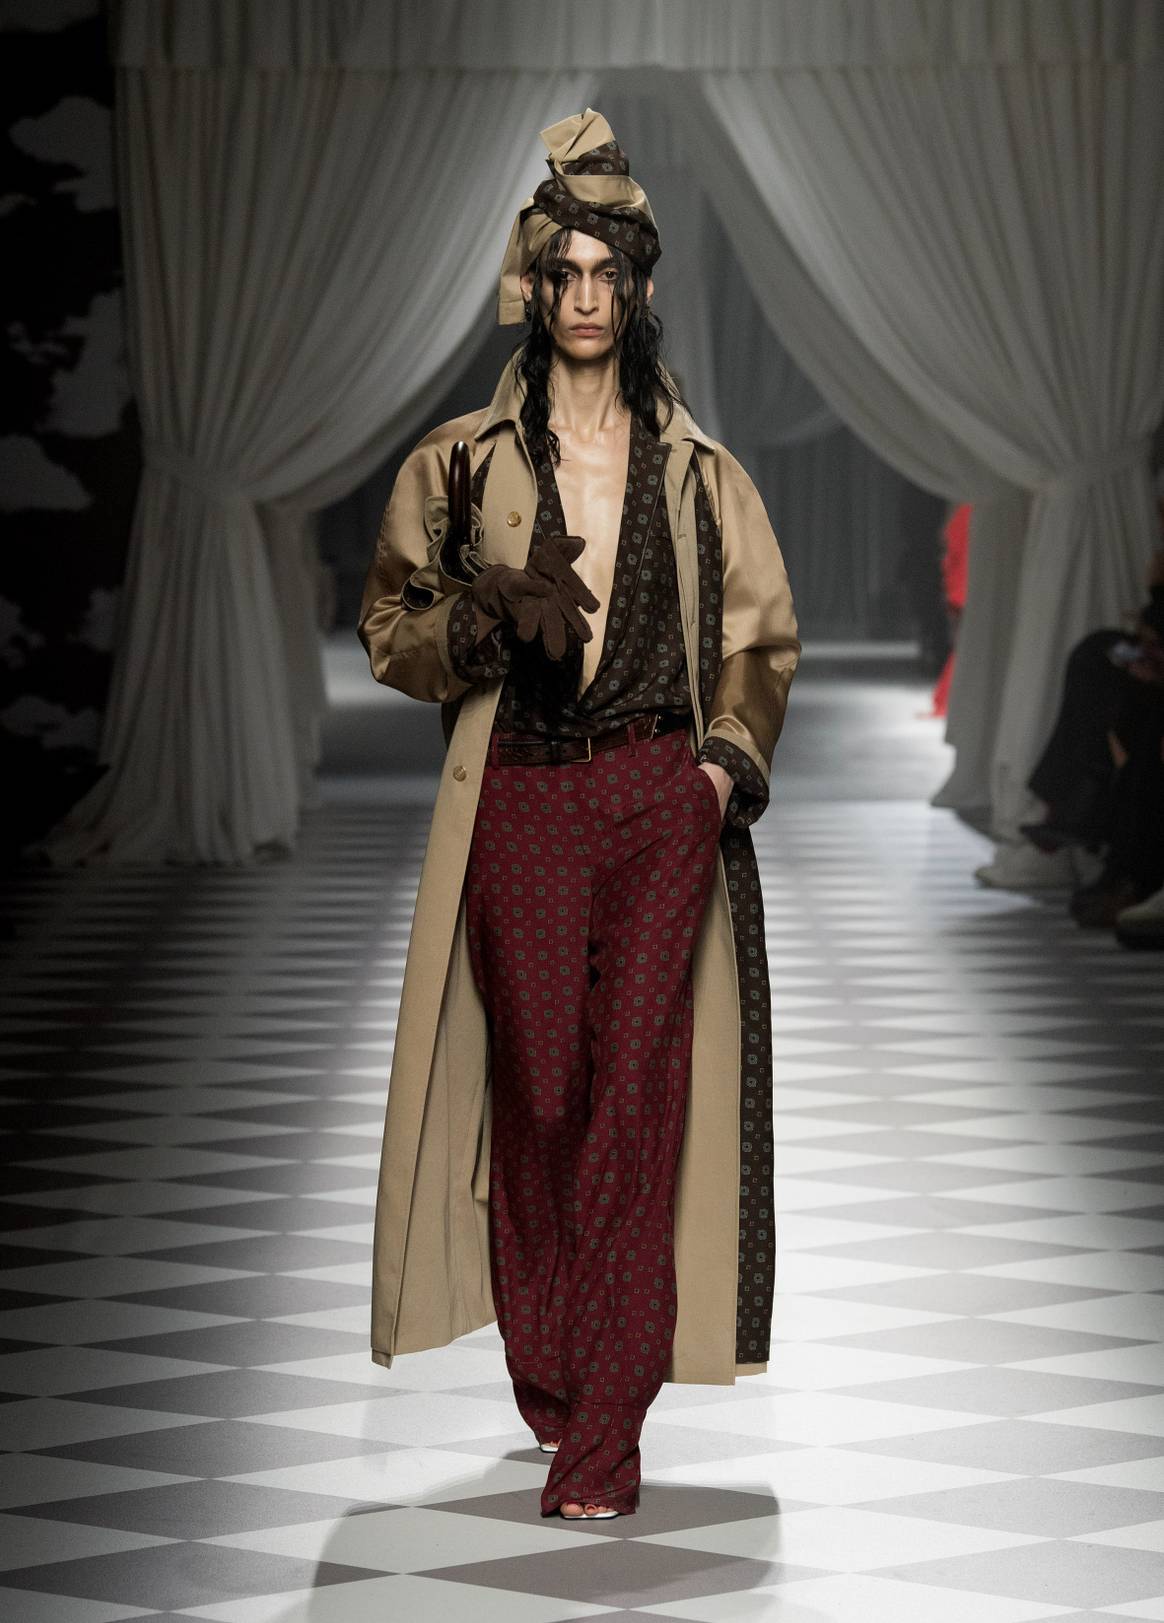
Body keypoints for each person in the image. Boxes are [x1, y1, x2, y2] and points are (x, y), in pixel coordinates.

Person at [358, 108, 800, 1522]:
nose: (589, 299)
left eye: (611, 273)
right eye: (567, 274)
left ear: (642, 285)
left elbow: (760, 642)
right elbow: (390, 626)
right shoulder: (460, 464)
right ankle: (554, 1379)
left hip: (658, 796)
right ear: (535, 286)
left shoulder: (700, 471)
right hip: (527, 799)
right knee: (542, 1097)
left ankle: (606, 1425)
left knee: (638, 1100)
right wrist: (479, 622)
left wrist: (718, 768)